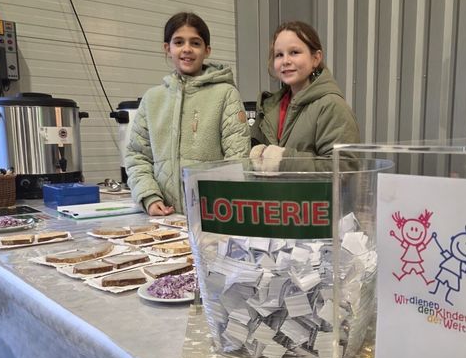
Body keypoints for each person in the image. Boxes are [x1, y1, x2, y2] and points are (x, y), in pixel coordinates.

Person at [125, 12, 250, 216]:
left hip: (212, 216)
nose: (187, 49)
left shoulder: (226, 94)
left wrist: (221, 208)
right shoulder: (152, 99)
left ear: (207, 50)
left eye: (195, 43)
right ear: (167, 48)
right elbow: (137, 156)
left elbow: (238, 160)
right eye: (178, 42)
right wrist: (149, 197)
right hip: (165, 219)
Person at [249, 21, 360, 163]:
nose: (285, 61)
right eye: (279, 55)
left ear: (316, 58)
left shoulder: (332, 107)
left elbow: (345, 167)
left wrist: (284, 160)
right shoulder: (269, 107)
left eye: (294, 52)